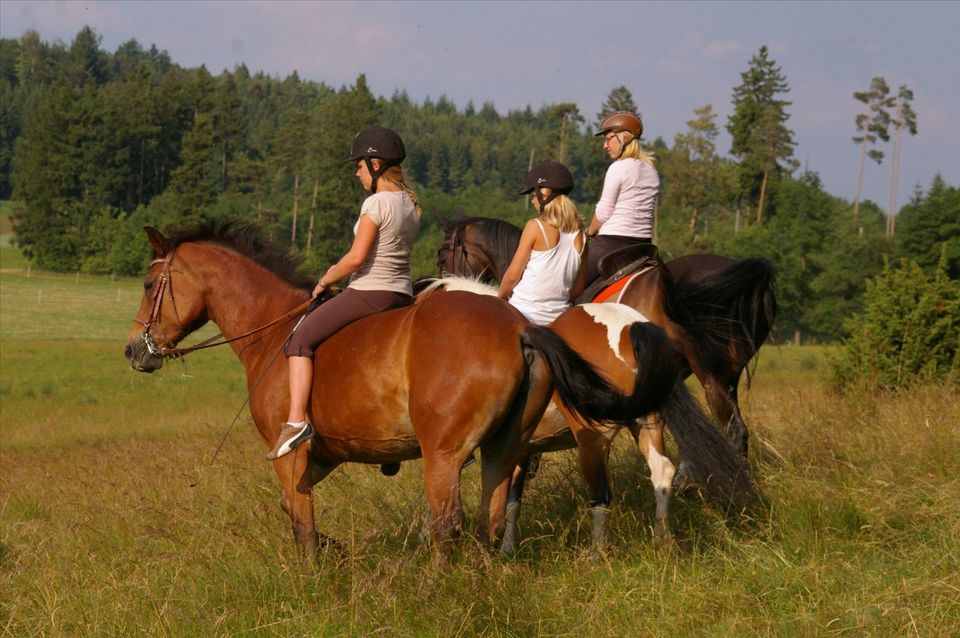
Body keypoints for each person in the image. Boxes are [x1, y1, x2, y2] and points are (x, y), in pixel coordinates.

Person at [267, 126, 421, 460]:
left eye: (360, 165)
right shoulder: (410, 204)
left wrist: (323, 281)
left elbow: (356, 258)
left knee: (300, 340)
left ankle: (295, 423)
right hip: (401, 295)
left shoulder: (376, 203)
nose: (357, 171)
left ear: (376, 164)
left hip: (369, 292)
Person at [498, 160, 587, 326]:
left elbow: (512, 277)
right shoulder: (581, 235)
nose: (532, 201)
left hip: (523, 313)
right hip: (559, 320)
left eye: (533, 196)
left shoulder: (535, 226)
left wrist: (499, 299)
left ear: (544, 196)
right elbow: (578, 289)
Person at [584, 112, 660, 284]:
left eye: (609, 138)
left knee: (567, 283)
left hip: (612, 243)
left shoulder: (618, 168)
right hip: (644, 247)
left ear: (624, 138)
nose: (605, 145)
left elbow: (603, 213)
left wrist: (588, 233)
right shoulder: (651, 170)